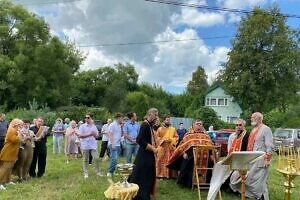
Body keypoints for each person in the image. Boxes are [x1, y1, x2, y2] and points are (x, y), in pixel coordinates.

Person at [230, 112, 273, 200]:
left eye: (253, 117)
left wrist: (267, 159)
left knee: (261, 180)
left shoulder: (266, 129)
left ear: (259, 118)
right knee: (249, 179)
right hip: (252, 159)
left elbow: (270, 145)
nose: (251, 119)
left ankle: (263, 197)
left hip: (262, 159)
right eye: (251, 117)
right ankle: (256, 196)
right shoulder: (253, 130)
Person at [167, 119, 214, 188]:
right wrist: (184, 153)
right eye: (197, 124)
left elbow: (210, 146)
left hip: (205, 157)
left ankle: (205, 182)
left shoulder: (206, 135)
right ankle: (188, 183)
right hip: (191, 155)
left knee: (210, 163)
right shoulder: (188, 134)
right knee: (189, 161)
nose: (199, 125)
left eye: (200, 124)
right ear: (193, 125)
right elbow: (182, 145)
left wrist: (211, 155)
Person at [129, 108, 159, 200]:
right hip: (144, 156)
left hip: (147, 155)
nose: (156, 117)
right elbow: (139, 140)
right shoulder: (145, 125)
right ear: (150, 114)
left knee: (147, 174)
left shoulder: (149, 125)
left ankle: (144, 193)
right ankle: (140, 195)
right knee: (143, 175)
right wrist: (153, 148)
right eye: (155, 115)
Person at [77, 113, 102, 178]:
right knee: (85, 159)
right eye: (86, 118)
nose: (87, 119)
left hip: (93, 145)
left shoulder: (94, 126)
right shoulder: (82, 126)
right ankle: (86, 173)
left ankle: (98, 172)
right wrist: (90, 134)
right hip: (85, 145)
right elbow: (80, 136)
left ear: (91, 119)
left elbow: (97, 136)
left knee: (96, 158)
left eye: (88, 118)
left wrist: (94, 135)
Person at [0, 119, 23, 190]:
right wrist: (20, 134)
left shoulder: (15, 130)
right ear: (15, 124)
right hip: (8, 152)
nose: (21, 126)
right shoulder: (11, 130)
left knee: (10, 168)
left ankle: (7, 181)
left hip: (12, 152)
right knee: (4, 168)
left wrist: (20, 134)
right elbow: (15, 140)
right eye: (20, 125)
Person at [107, 113, 123, 177]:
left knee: (116, 159)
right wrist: (113, 144)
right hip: (113, 144)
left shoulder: (119, 125)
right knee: (114, 158)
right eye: (121, 118)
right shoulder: (112, 125)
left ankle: (113, 171)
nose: (122, 119)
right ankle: (109, 172)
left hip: (118, 144)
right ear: (118, 118)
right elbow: (110, 134)